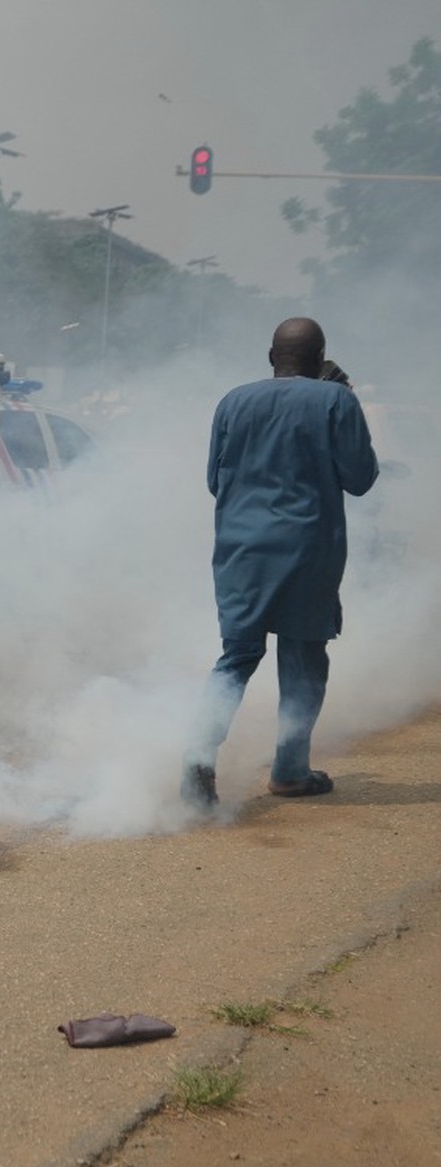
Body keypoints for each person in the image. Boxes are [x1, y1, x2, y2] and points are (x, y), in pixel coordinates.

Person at [181, 317, 378, 808]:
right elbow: (361, 478)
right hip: (308, 551)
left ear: (272, 358)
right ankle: (290, 772)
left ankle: (198, 758)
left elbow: (214, 481)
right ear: (321, 360)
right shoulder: (336, 400)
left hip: (241, 553)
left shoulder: (232, 401)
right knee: (304, 659)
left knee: (237, 658)